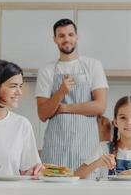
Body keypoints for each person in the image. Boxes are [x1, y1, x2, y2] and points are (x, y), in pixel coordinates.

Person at [35, 18, 108, 171]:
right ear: (55, 39)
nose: (66, 39)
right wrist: (61, 92)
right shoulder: (46, 71)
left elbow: (100, 106)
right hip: (56, 148)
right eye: (61, 36)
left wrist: (65, 108)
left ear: (76, 37)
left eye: (70, 34)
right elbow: (42, 114)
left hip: (86, 147)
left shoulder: (93, 66)